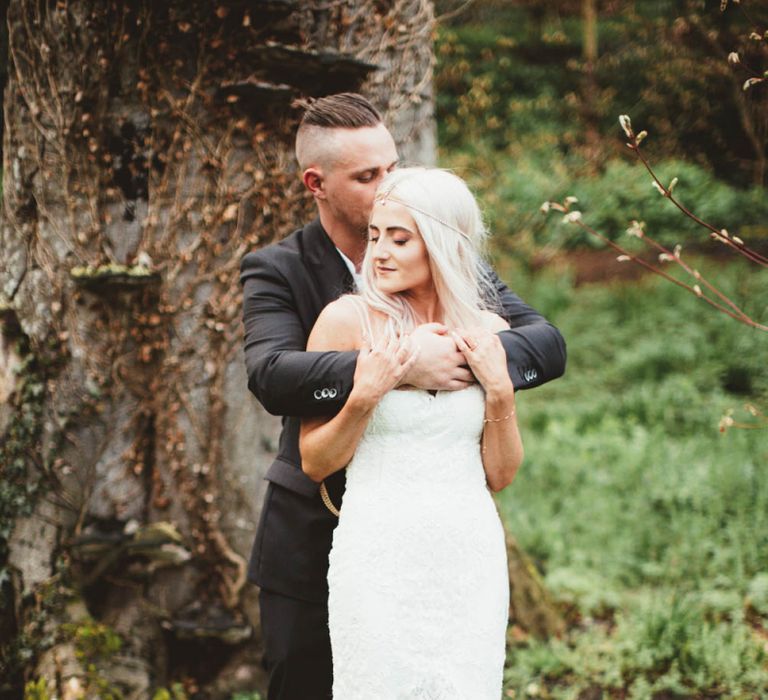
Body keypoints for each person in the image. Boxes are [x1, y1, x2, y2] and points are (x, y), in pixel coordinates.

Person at [239, 93, 566, 700]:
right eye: (370, 177)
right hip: (318, 532)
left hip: (449, 542)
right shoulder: (279, 269)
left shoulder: (454, 266)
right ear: (318, 183)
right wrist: (401, 366)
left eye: (392, 166)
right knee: (304, 682)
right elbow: (271, 373)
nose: (391, 182)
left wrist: (476, 370)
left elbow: (545, 345)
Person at [300, 166, 520, 698]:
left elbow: (501, 472)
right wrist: (367, 394)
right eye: (375, 236)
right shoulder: (345, 322)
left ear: (443, 245)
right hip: (377, 552)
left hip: (468, 553)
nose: (379, 252)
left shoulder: (488, 332)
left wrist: (501, 393)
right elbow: (315, 461)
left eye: (399, 239)